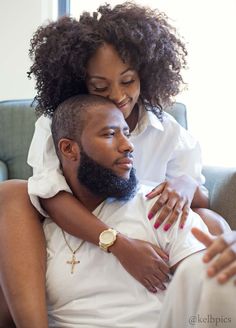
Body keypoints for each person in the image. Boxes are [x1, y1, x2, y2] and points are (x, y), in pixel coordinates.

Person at [0, 2, 233, 328]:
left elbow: (199, 193)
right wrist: (117, 243)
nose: (117, 96)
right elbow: (50, 194)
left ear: (144, 74)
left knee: (210, 222)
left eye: (127, 81)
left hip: (150, 220)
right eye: (100, 87)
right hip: (84, 218)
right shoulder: (60, 126)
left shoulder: (166, 129)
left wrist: (184, 185)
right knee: (12, 193)